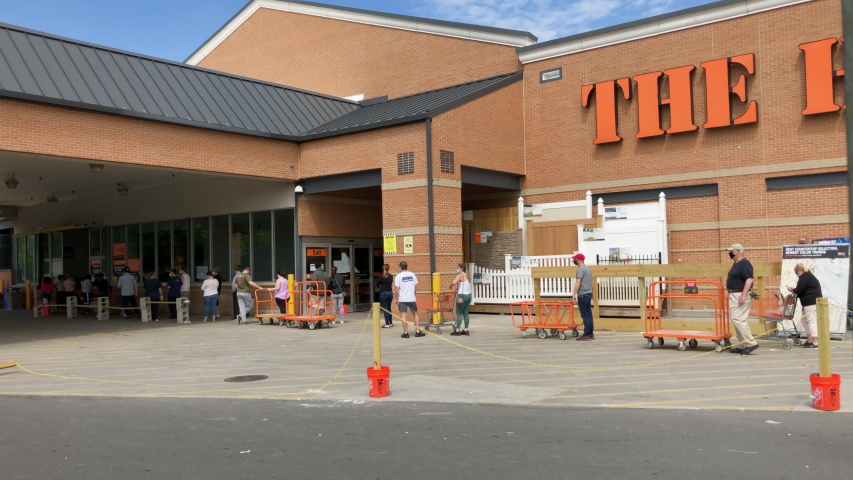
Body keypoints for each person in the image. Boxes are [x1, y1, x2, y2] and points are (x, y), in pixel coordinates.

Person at [726, 244, 759, 355]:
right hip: (734, 294)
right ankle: (743, 344)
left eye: (731, 251)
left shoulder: (744, 263)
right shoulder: (736, 263)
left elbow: (749, 279)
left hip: (740, 293)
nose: (729, 253)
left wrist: (743, 295)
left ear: (737, 251)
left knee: (738, 319)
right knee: (736, 319)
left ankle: (751, 343)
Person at [788, 263, 823, 349]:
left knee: (811, 321)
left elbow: (799, 290)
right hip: (808, 303)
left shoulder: (804, 277)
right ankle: (809, 340)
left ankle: (815, 342)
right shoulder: (809, 277)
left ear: (801, 270)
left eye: (796, 272)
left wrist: (793, 290)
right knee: (805, 321)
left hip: (810, 303)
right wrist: (795, 290)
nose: (797, 274)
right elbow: (802, 289)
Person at [394, 261, 423, 338]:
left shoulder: (398, 276)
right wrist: (414, 295)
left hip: (402, 299)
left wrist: (396, 299)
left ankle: (406, 333)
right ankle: (418, 331)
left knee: (404, 316)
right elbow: (415, 287)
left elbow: (397, 289)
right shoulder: (412, 275)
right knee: (415, 314)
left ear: (400, 267)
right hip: (411, 298)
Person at [572, 253, 594, 341]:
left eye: (575, 259)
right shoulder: (588, 269)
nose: (574, 260)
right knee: (589, 314)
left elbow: (578, 283)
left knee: (584, 315)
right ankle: (591, 333)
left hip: (583, 294)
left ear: (579, 260)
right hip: (588, 293)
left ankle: (586, 334)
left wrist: (574, 294)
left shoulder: (580, 269)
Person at [450, 263, 472, 336]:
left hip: (462, 296)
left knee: (459, 313)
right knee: (465, 312)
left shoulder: (460, 275)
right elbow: (463, 285)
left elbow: (454, 282)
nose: (457, 269)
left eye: (458, 268)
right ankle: (466, 330)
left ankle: (457, 330)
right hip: (468, 295)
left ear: (462, 269)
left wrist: (450, 284)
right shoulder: (467, 275)